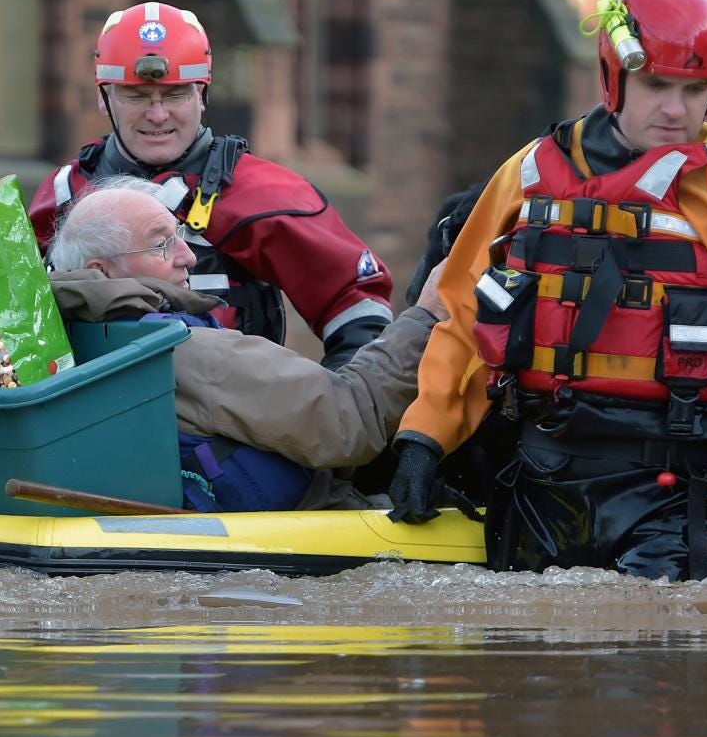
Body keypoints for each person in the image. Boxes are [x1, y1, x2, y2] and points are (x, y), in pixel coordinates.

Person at [385, 0, 707, 581]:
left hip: (684, 486)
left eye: (695, 88)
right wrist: (424, 436)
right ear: (613, 76)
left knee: (653, 666)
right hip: (542, 474)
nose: (676, 109)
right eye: (656, 85)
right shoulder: (529, 173)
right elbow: (464, 315)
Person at [28, 1, 393, 368]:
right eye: (136, 96)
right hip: (93, 418)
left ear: (202, 96)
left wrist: (336, 404)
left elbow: (357, 303)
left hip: (229, 420)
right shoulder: (64, 193)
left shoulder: (263, 192)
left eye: (175, 95)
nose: (157, 115)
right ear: (104, 98)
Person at [47, 176, 447, 511]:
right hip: (306, 528)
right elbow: (350, 418)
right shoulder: (185, 352)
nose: (188, 256)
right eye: (162, 244)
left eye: (180, 234)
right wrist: (427, 314)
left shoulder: (64, 342)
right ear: (103, 272)